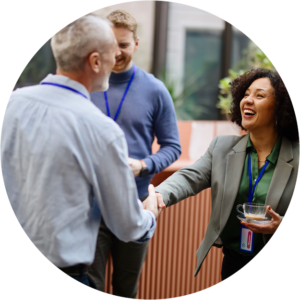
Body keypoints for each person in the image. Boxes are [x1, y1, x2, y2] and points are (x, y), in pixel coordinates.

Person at [1, 14, 161, 287]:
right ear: (96, 61)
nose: (116, 60)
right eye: (112, 52)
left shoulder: (11, 103)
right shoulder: (102, 130)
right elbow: (127, 226)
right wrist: (150, 213)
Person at [155, 68, 298, 280]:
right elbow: (189, 177)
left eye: (259, 95)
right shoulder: (221, 147)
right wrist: (159, 194)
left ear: (281, 107)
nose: (248, 100)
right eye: (246, 94)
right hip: (233, 262)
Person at [87, 10, 181, 298]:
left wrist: (143, 165)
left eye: (124, 45)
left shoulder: (155, 89)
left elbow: (172, 147)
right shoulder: (84, 84)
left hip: (136, 205)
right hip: (90, 206)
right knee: (90, 284)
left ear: (136, 44)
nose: (116, 52)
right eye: (110, 43)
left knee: (126, 288)